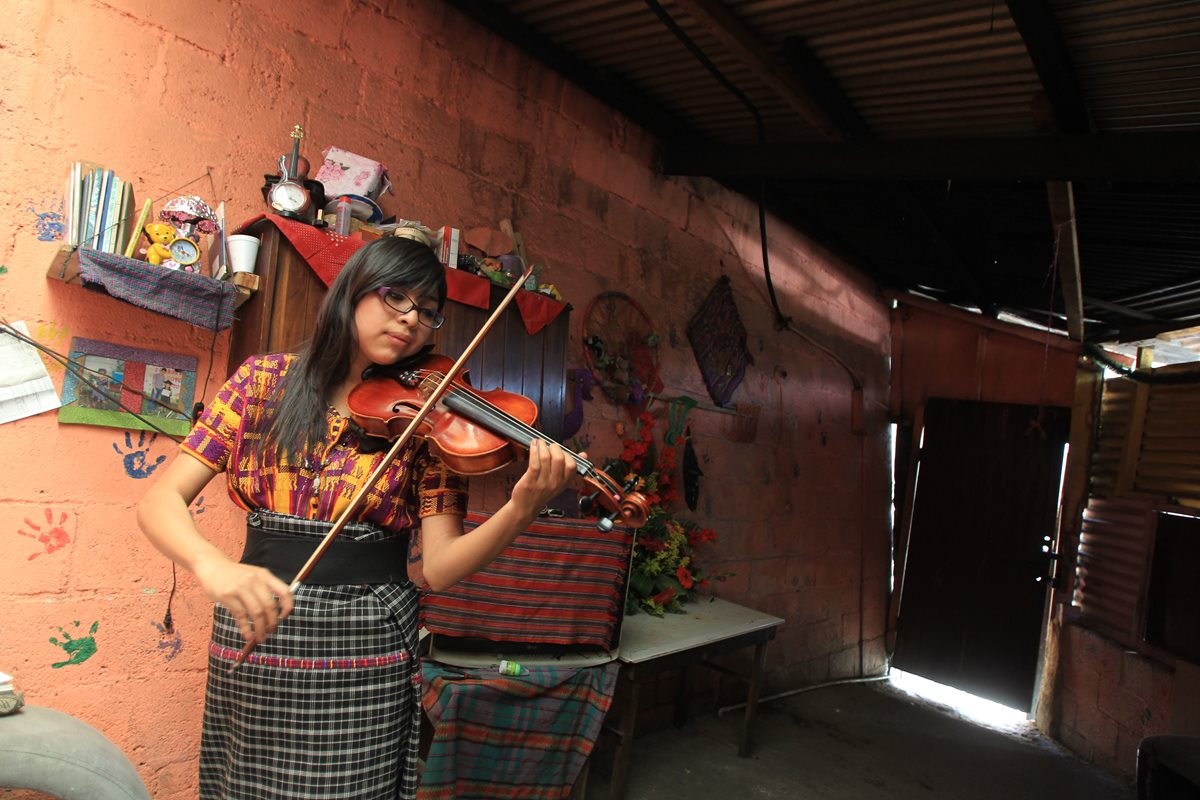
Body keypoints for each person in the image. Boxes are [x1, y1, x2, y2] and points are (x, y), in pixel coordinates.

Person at [137, 236, 581, 800]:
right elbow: (159, 500)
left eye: (427, 311)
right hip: (261, 617)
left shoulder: (428, 421)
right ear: (352, 291)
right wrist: (212, 565)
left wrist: (523, 507)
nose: (412, 320)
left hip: (367, 637)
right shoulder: (261, 382)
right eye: (396, 296)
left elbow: (441, 567)